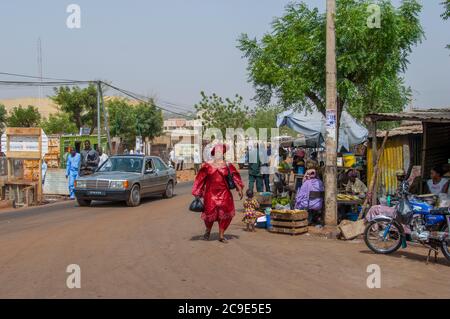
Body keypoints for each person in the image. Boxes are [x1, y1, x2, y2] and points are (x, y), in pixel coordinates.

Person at [192, 144, 244, 243]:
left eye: (220, 152)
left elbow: (234, 177)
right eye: (216, 152)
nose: (218, 154)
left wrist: (239, 188)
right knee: (209, 214)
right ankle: (207, 231)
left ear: (223, 154)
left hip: (225, 194)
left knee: (225, 215)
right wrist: (197, 192)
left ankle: (221, 234)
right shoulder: (207, 166)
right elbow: (200, 179)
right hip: (210, 194)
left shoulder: (228, 165)